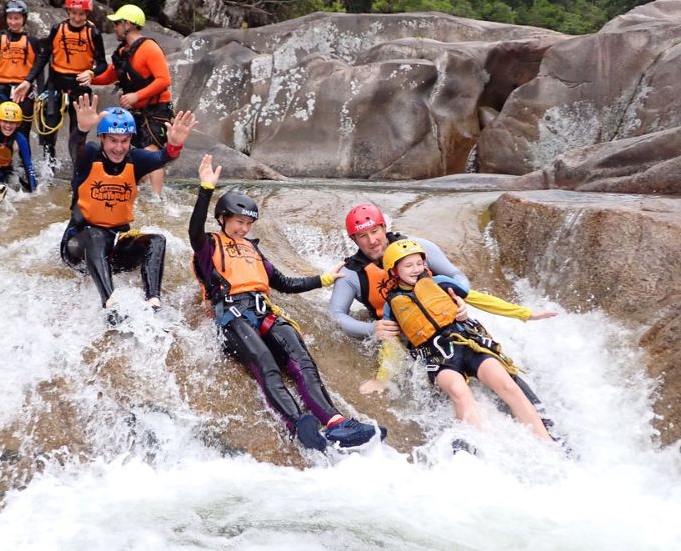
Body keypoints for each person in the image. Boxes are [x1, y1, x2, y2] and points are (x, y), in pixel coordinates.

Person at [190, 154, 387, 452]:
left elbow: (283, 283)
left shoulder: (253, 250)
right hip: (232, 316)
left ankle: (336, 423)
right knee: (266, 364)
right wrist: (206, 189)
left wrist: (323, 279)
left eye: (248, 223)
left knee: (303, 363)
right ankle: (297, 423)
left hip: (263, 311)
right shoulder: (209, 245)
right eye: (238, 222)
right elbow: (193, 230)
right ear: (222, 219)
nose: (244, 228)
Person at [329, 202, 556, 421]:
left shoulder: (418, 249)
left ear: (384, 227)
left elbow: (457, 278)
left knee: (504, 380)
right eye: (362, 236)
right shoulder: (351, 274)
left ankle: (547, 428)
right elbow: (337, 315)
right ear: (353, 239)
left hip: (449, 325)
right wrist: (372, 328)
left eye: (375, 231)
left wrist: (458, 299)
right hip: (410, 338)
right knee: (454, 391)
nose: (372, 241)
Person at [366, 239, 552, 441]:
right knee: (459, 392)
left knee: (507, 385)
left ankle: (546, 441)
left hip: (467, 344)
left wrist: (525, 314)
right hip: (439, 358)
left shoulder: (440, 282)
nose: (416, 269)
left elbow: (480, 299)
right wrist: (381, 378)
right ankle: (480, 447)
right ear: (394, 270)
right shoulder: (392, 305)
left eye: (419, 263)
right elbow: (390, 344)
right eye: (408, 265)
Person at [59, 94, 194, 317]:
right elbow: (76, 147)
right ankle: (110, 303)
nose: (119, 147)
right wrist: (81, 130)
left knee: (157, 240)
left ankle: (153, 300)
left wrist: (174, 145)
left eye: (124, 141)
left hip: (114, 245)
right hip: (79, 245)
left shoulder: (136, 159)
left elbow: (162, 158)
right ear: (102, 138)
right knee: (95, 235)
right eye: (113, 140)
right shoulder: (89, 155)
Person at [15, 0, 107, 170]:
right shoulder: (57, 29)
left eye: (81, 14)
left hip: (79, 87)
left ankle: (77, 168)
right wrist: (27, 80)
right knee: (48, 130)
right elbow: (44, 56)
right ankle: (48, 168)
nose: (77, 18)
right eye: (74, 13)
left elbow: (102, 63)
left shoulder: (93, 33)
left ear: (87, 14)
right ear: (68, 12)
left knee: (77, 132)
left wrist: (91, 73)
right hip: (55, 84)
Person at [91, 4, 174, 198]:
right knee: (134, 152)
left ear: (127, 24)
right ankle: (138, 195)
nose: (115, 28)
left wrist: (136, 96)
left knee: (151, 152)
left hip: (157, 110)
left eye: (117, 24)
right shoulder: (123, 53)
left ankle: (157, 199)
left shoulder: (149, 48)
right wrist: (89, 77)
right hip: (136, 113)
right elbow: (108, 76)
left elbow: (164, 80)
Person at [0, 0, 39, 155]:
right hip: (0, 90)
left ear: (24, 19)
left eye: (17, 18)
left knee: (23, 132)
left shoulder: (32, 42)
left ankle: (24, 166)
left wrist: (41, 95)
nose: (13, 22)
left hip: (24, 92)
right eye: (10, 18)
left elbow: (38, 70)